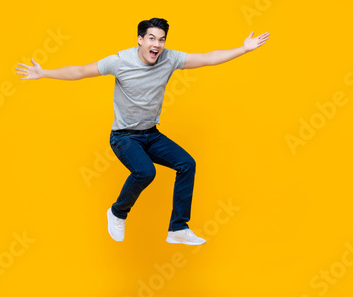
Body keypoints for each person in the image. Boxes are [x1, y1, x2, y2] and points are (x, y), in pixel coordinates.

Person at [16, 18, 270, 245]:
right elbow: (81, 71)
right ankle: (117, 212)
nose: (157, 45)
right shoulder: (120, 61)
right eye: (151, 38)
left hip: (151, 134)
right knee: (145, 171)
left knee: (187, 164)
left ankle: (178, 228)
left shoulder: (170, 58)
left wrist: (243, 49)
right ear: (140, 39)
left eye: (161, 40)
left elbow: (206, 57)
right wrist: (44, 73)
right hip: (124, 137)